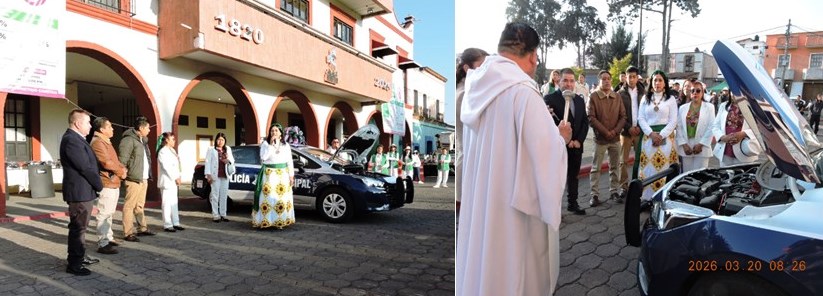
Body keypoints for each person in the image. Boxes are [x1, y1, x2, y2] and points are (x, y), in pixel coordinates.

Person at [457, 22, 572, 295]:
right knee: (513, 271)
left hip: (482, 201)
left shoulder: (475, 88)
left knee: (484, 261)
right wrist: (562, 139)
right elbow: (544, 157)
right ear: (532, 56)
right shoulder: (523, 93)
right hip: (513, 212)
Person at [61, 109, 104, 276]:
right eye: (87, 123)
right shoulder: (71, 140)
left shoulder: (77, 139)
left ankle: (81, 256)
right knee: (78, 228)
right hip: (79, 192)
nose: (89, 126)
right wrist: (99, 185)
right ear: (78, 123)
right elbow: (84, 167)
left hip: (84, 191)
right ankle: (74, 264)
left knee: (82, 227)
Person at [545, 68, 589, 215]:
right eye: (565, 80)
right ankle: (554, 208)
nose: (569, 84)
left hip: (576, 146)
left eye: (571, 81)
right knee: (556, 178)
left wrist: (578, 141)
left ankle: (573, 203)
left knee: (574, 176)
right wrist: (565, 140)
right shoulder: (549, 99)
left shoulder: (579, 100)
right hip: (559, 147)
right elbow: (548, 124)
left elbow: (584, 122)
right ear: (559, 81)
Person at [636, 70, 679, 201]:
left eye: (660, 80)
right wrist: (651, 134)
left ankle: (663, 198)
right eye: (655, 80)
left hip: (666, 139)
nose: (657, 83)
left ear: (665, 83)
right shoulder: (645, 98)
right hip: (649, 139)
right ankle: (647, 198)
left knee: (664, 169)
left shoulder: (671, 99)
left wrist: (661, 135)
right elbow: (641, 118)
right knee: (649, 169)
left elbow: (673, 120)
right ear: (651, 82)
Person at [456, 47, 489, 217]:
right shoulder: (464, 94)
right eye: (481, 66)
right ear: (467, 68)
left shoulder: (469, 91)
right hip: (467, 162)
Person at [588, 70, 627, 206]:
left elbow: (623, 116)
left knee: (615, 167)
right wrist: (605, 132)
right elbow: (591, 118)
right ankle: (594, 195)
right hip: (600, 140)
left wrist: (615, 131)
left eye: (608, 79)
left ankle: (614, 191)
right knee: (595, 168)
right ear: (599, 81)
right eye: (603, 79)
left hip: (615, 139)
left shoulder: (617, 96)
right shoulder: (593, 96)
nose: (606, 81)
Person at [89, 117, 126, 255]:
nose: (112, 128)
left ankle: (108, 238)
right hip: (106, 182)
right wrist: (121, 171)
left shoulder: (106, 142)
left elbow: (114, 161)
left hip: (113, 181)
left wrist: (122, 168)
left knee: (109, 213)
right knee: (104, 213)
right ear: (102, 129)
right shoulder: (98, 142)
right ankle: (102, 242)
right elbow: (107, 163)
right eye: (110, 126)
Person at [118, 116, 155, 242]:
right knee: (129, 205)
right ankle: (128, 232)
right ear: (141, 128)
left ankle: (142, 228)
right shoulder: (129, 140)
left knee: (140, 205)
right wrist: (123, 173)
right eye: (147, 128)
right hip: (133, 178)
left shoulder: (143, 141)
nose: (149, 130)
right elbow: (123, 159)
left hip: (143, 177)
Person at [252, 124, 296, 229]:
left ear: (281, 133)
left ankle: (279, 222)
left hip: (282, 175)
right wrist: (271, 145)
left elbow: (289, 161)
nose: (274, 133)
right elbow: (263, 158)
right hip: (269, 175)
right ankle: (265, 221)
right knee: (268, 198)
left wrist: (291, 175)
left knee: (280, 199)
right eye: (272, 131)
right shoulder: (265, 144)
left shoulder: (286, 145)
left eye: (276, 130)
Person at [616, 66, 646, 202]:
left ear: (637, 77)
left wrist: (639, 127)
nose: (632, 79)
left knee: (640, 160)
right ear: (625, 77)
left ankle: (638, 184)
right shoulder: (620, 94)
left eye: (634, 76)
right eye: (629, 77)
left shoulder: (644, 92)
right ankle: (624, 187)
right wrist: (628, 128)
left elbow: (646, 112)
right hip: (626, 132)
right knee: (623, 161)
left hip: (640, 132)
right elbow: (618, 114)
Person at [675, 82, 716, 172]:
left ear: (702, 93)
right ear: (690, 93)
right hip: (686, 146)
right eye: (692, 90)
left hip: (702, 147)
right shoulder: (682, 108)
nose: (695, 93)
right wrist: (684, 145)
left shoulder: (710, 107)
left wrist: (701, 144)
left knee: (700, 177)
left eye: (698, 90)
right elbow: (679, 127)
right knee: (687, 176)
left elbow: (711, 126)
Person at [712, 94, 761, 166]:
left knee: (743, 176)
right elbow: (715, 126)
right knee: (726, 176)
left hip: (745, 151)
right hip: (725, 151)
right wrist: (723, 137)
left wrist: (743, 133)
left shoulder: (752, 106)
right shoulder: (724, 105)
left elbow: (759, 127)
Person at [205, 132, 235, 223]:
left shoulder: (227, 149)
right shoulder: (211, 149)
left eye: (222, 140)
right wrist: (208, 175)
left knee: (224, 195)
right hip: (215, 175)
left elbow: (232, 160)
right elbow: (207, 162)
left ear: (225, 141)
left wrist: (228, 161)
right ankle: (215, 215)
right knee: (215, 195)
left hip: (225, 175)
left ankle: (223, 214)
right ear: (216, 140)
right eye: (219, 139)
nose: (220, 141)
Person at [157, 132, 185, 232]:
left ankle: (176, 222)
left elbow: (177, 165)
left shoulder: (172, 150)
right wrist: (175, 177)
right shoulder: (162, 151)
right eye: (172, 139)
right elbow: (167, 167)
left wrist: (179, 176)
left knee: (174, 202)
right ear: (167, 140)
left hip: (173, 180)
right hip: (167, 181)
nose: (174, 141)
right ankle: (167, 224)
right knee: (166, 203)